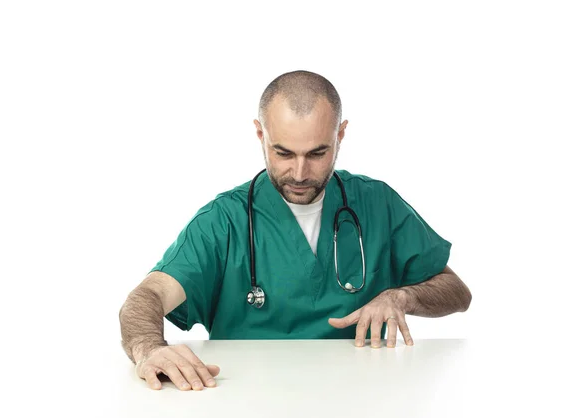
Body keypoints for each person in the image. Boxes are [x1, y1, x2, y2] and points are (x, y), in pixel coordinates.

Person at [119, 70, 472, 391]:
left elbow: (457, 291)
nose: (300, 173)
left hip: (360, 395)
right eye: (283, 153)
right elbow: (147, 296)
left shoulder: (377, 203)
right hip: (242, 397)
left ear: (341, 134)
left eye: (317, 153)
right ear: (261, 134)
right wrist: (149, 348)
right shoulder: (223, 220)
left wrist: (401, 297)